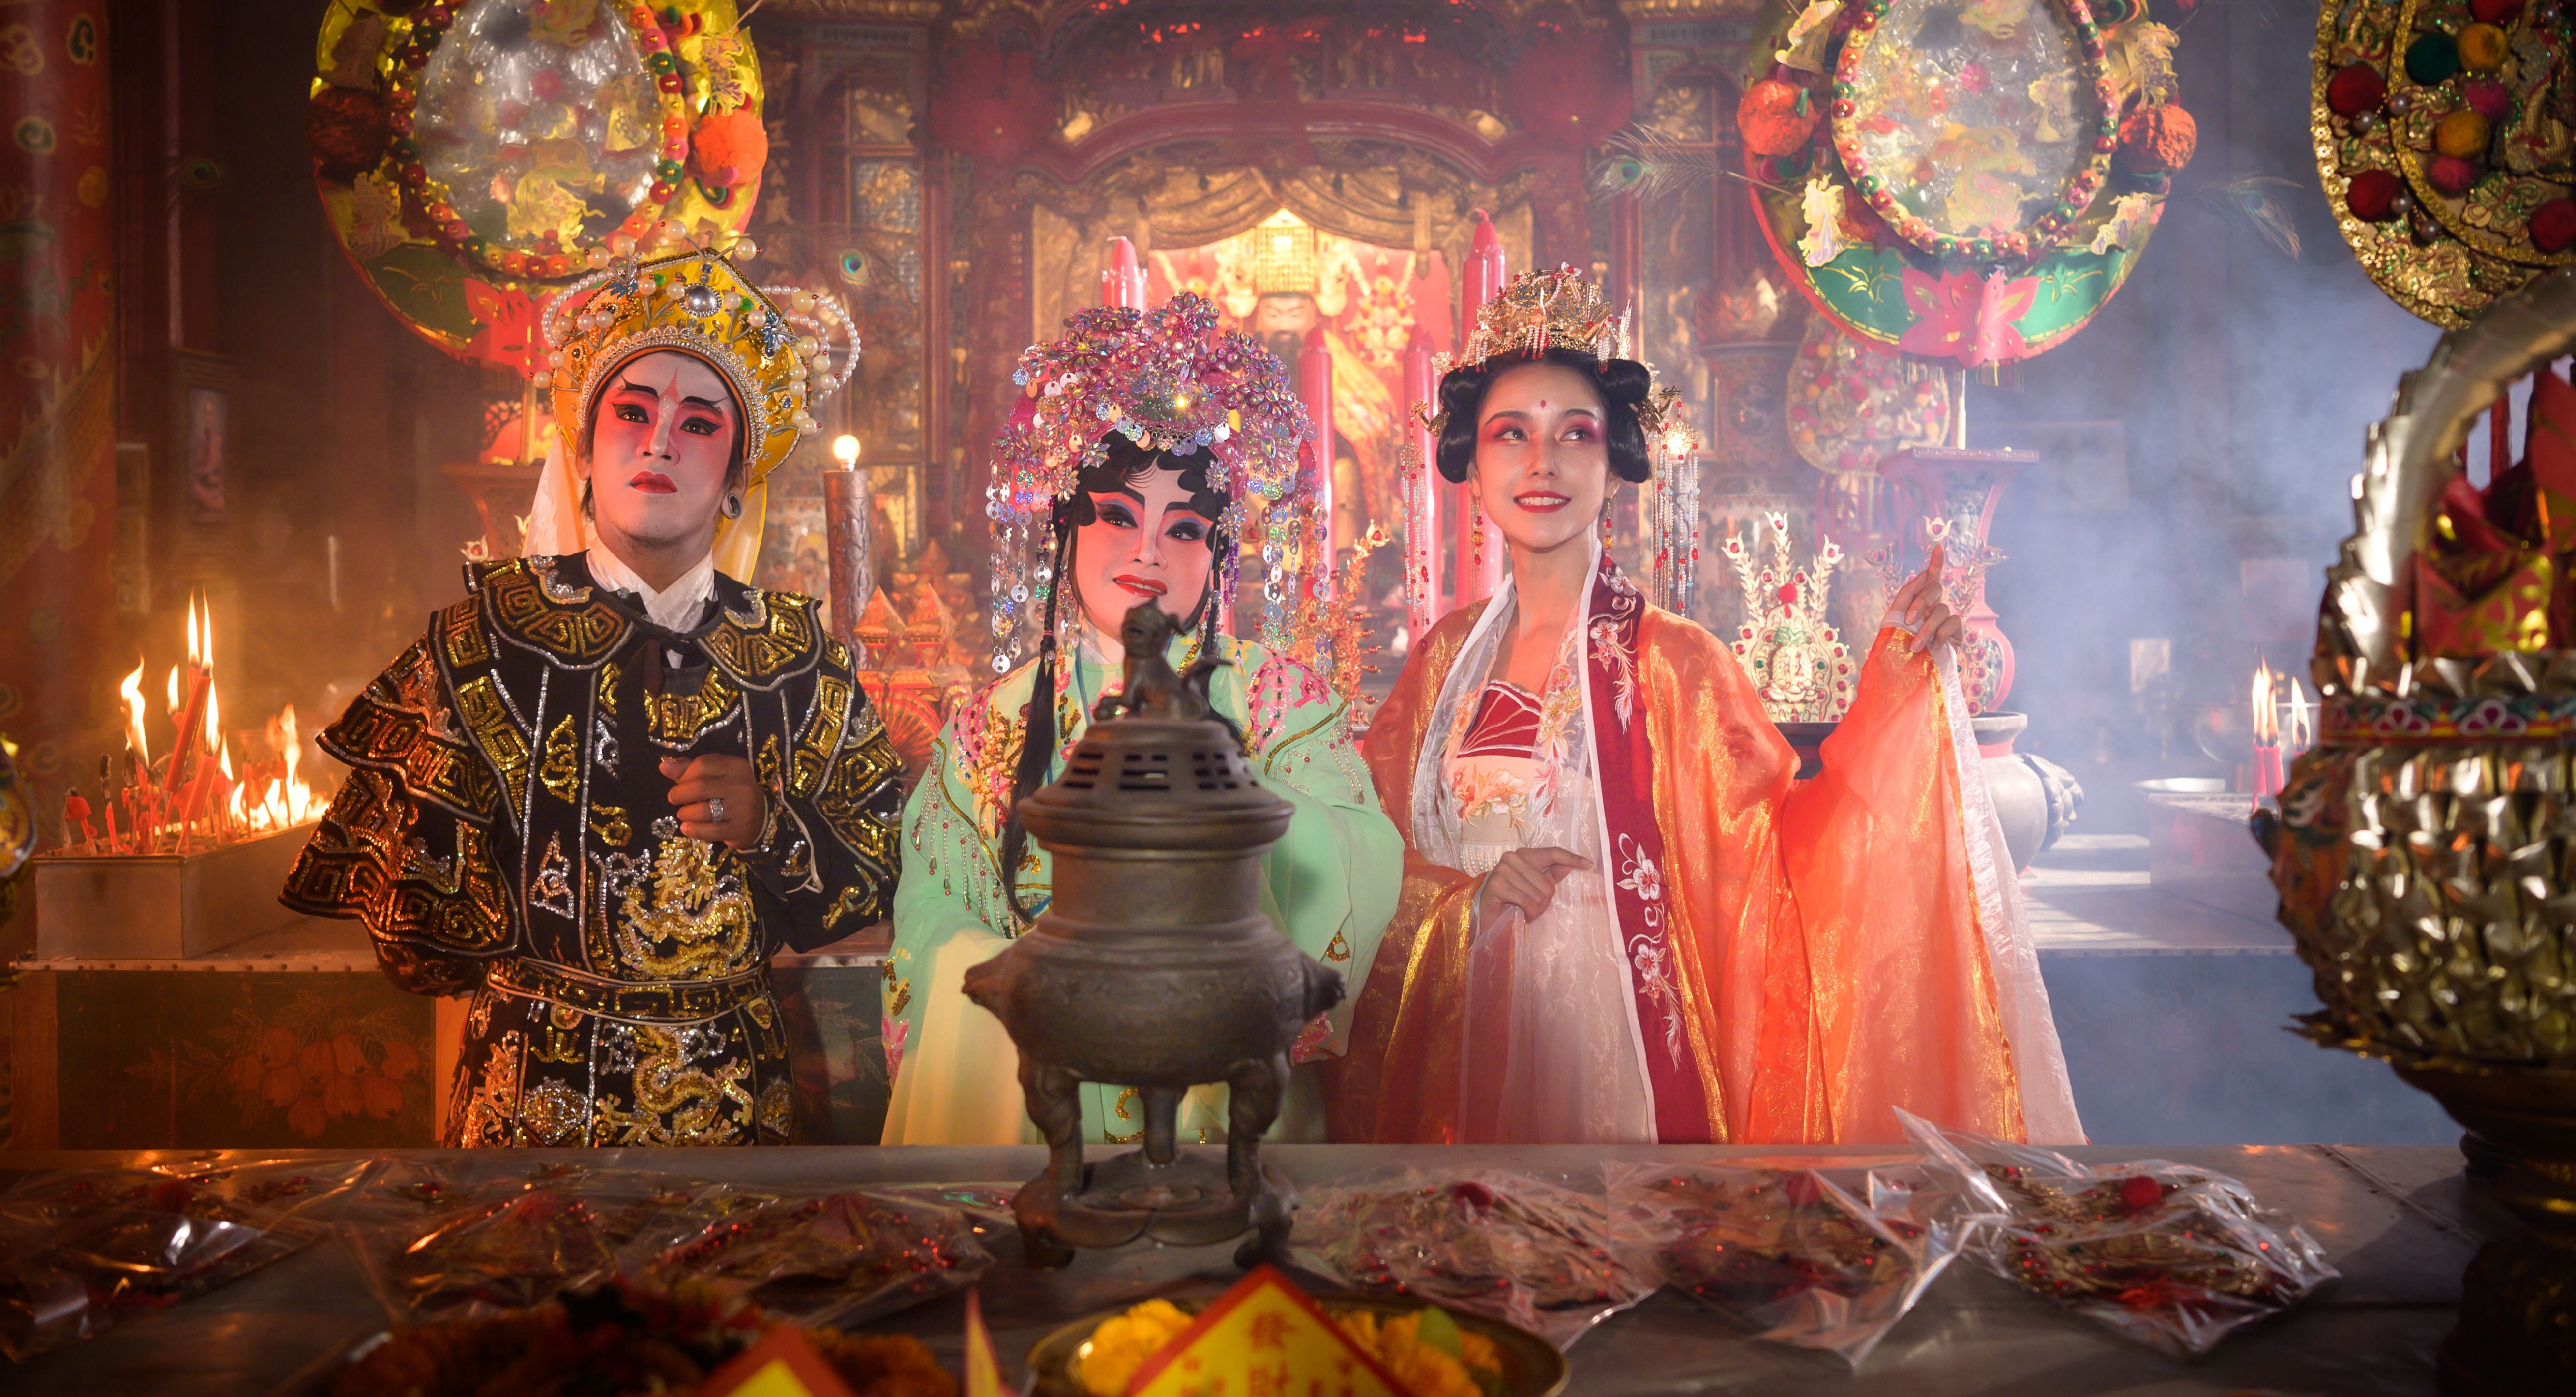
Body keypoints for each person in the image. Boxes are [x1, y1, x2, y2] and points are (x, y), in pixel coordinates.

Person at [1332, 267, 2079, 1146]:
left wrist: (1898, 700)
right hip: (1464, 1034)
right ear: (1475, 460)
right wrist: (1469, 901)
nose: (1542, 462)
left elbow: (1780, 869)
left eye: (1575, 433)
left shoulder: (1677, 662)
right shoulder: (1440, 666)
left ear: (1615, 463)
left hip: (1614, 1042)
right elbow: (1366, 858)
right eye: (1510, 434)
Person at [283, 249, 905, 1147]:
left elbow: (882, 864)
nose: (659, 441)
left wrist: (771, 822)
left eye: (698, 422)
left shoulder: (796, 656)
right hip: (533, 1096)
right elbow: (415, 943)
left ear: (738, 474)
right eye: (631, 411)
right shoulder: (481, 643)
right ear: (580, 449)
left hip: (738, 1103)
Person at [883, 291, 1403, 1146]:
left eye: (1186, 527)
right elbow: (931, 915)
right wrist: (1047, 988)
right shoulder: (987, 727)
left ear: (1221, 556)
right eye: (1120, 515)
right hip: (1039, 1090)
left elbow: (1363, 861)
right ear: (1064, 526)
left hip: (1227, 1091)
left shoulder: (1282, 705)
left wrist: (1226, 788)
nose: (1149, 551)